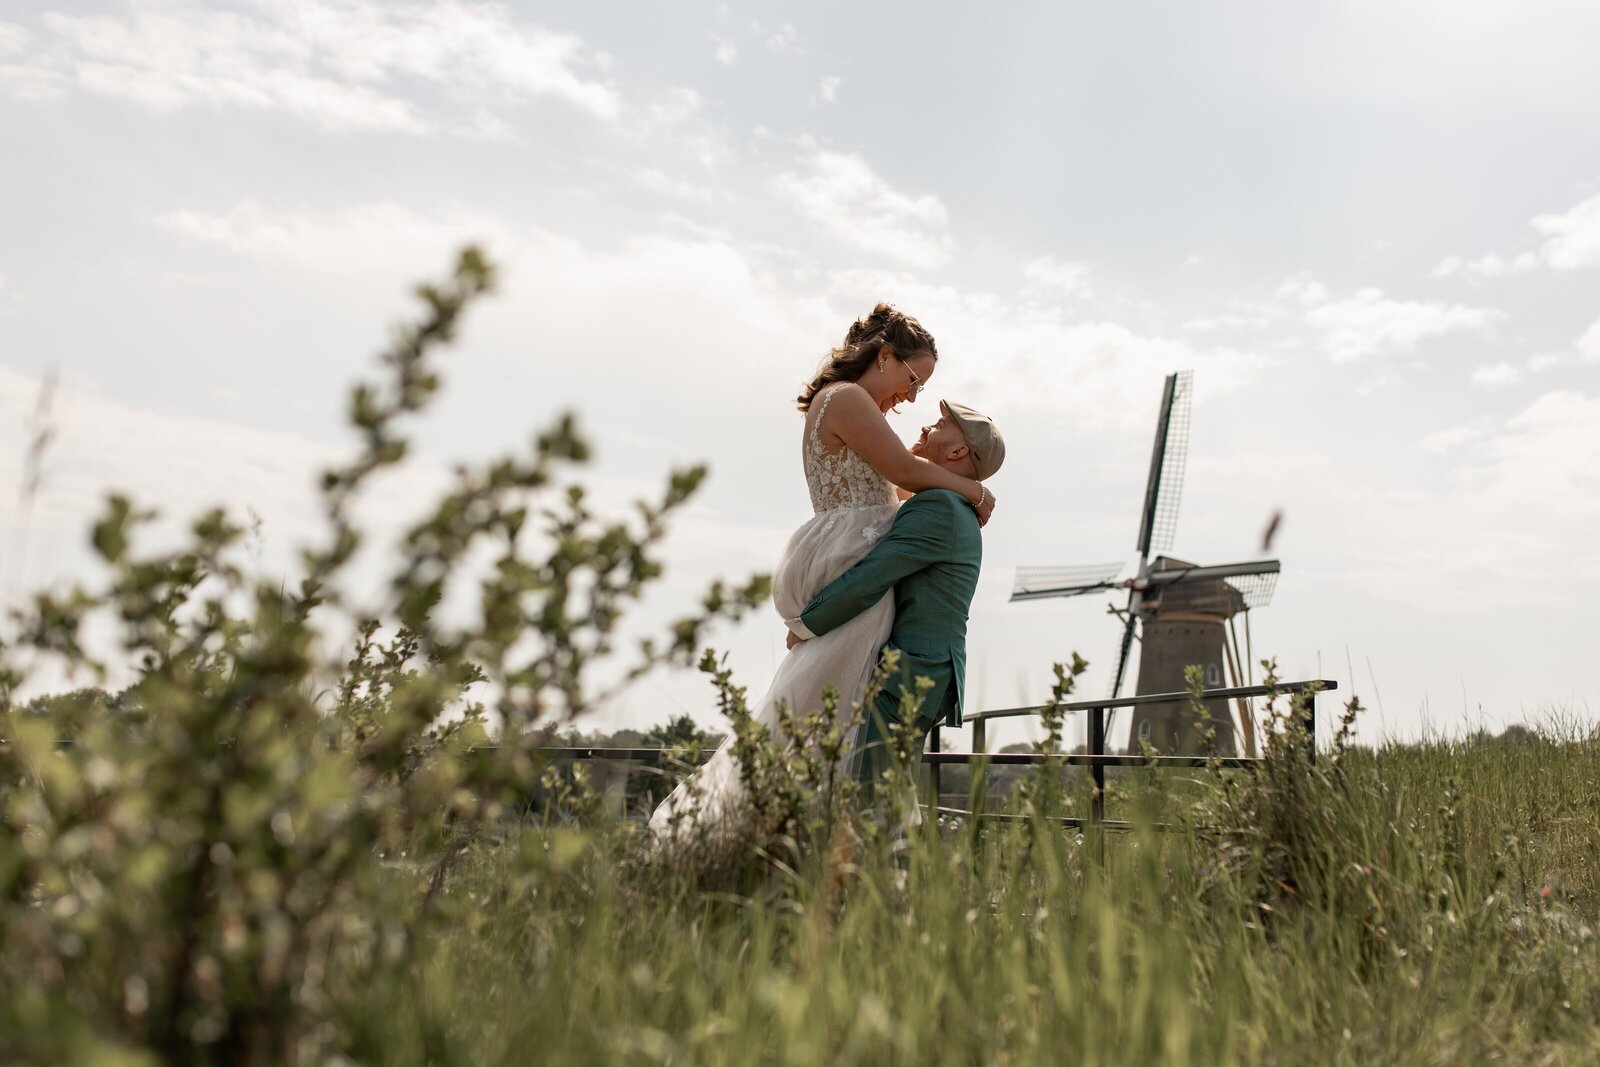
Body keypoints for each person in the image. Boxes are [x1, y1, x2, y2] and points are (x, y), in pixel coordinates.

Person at [649, 304, 994, 838]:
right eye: (913, 379)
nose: (913, 396)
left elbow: (903, 484)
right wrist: (974, 490)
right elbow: (905, 473)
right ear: (885, 357)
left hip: (849, 543)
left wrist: (948, 481)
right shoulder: (851, 399)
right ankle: (812, 837)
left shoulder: (849, 405)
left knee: (821, 705)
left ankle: (798, 833)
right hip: (852, 551)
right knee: (830, 706)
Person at [785, 401, 1005, 808]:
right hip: (923, 671)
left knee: (872, 801)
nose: (928, 426)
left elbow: (875, 573)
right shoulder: (951, 504)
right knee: (880, 796)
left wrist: (807, 624)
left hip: (911, 672)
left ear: (958, 452)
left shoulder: (939, 507)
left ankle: (882, 870)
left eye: (940, 425)